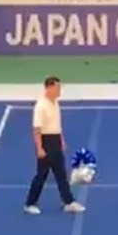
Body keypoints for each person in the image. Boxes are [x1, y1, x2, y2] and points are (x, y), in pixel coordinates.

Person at [24, 76, 85, 214]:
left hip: (55, 139)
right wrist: (39, 148)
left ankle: (69, 202)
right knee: (41, 175)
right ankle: (30, 203)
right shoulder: (41, 106)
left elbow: (56, 124)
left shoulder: (55, 103)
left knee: (61, 174)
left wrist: (61, 139)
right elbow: (36, 129)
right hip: (46, 141)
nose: (59, 90)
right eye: (57, 87)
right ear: (49, 87)